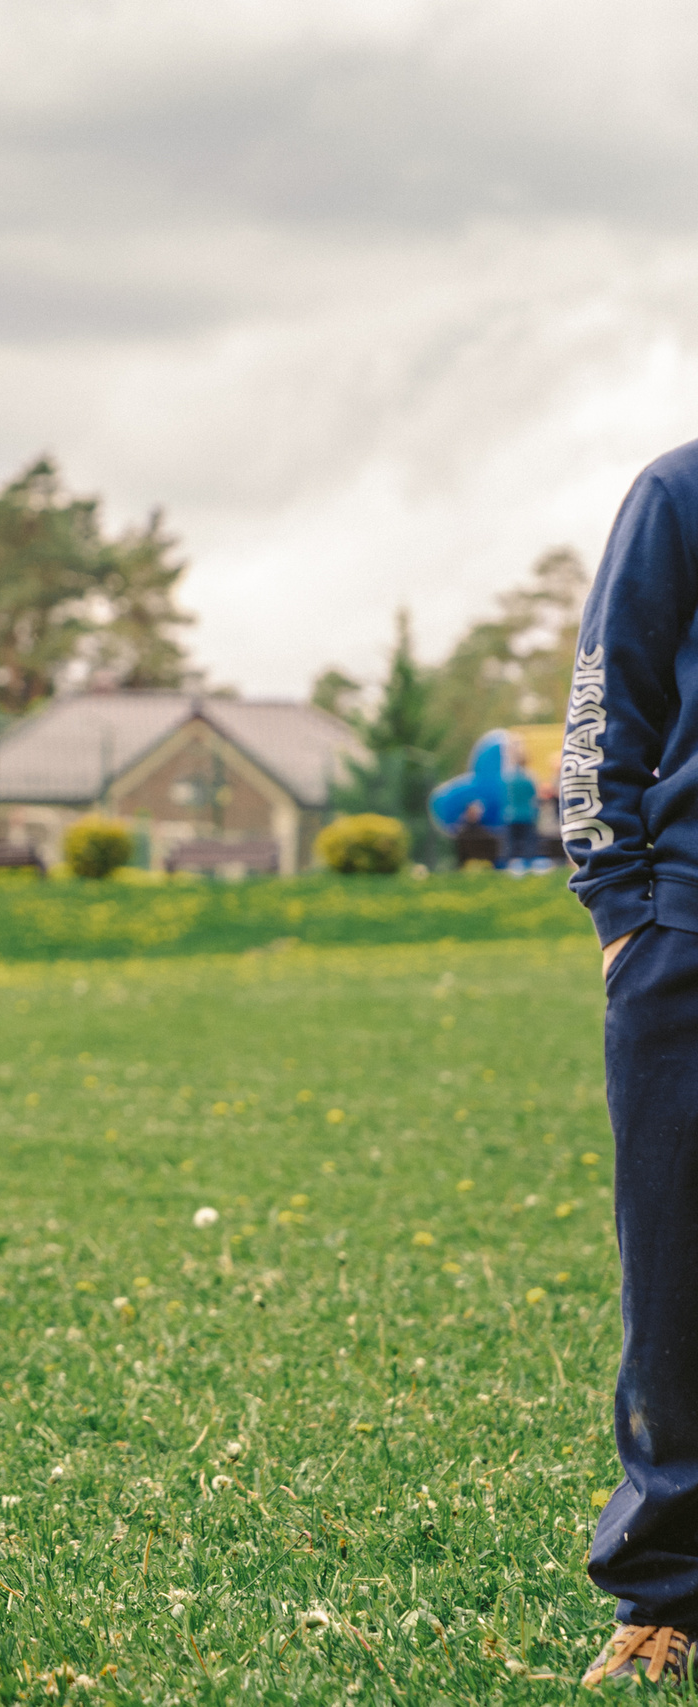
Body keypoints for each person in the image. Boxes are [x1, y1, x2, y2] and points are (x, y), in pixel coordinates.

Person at [566, 437, 698, 1686]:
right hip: (688, 944)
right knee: (677, 1289)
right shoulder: (680, 491)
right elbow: (605, 702)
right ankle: (664, 1594)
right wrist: (625, 914)